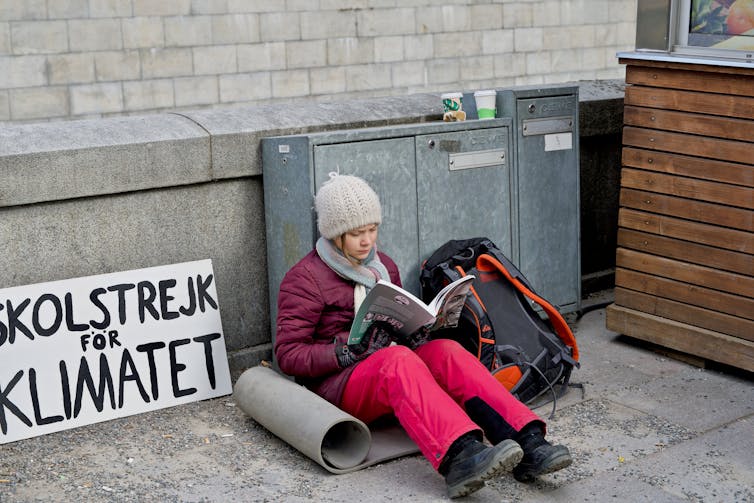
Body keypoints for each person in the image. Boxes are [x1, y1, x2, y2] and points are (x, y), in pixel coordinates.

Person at [274, 173, 572, 498]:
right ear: (334, 235)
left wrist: (416, 330)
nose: (367, 241)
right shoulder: (305, 278)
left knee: (447, 350)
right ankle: (460, 454)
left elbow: (399, 318)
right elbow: (288, 355)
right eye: (356, 233)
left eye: (372, 229)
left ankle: (527, 440)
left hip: (386, 366)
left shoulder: (382, 265)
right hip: (339, 384)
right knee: (396, 360)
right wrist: (346, 350)